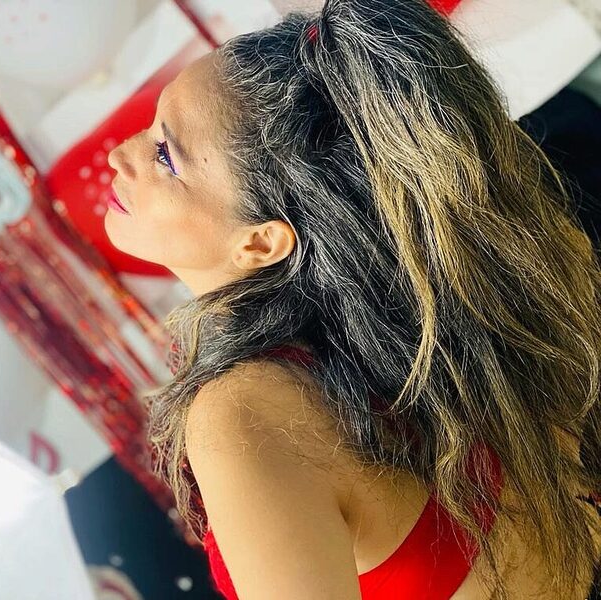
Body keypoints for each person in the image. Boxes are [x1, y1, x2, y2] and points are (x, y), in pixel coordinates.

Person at [105, 0, 601, 597]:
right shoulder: (455, 315)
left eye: (164, 156)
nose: (117, 155)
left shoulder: (242, 416)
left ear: (262, 242)